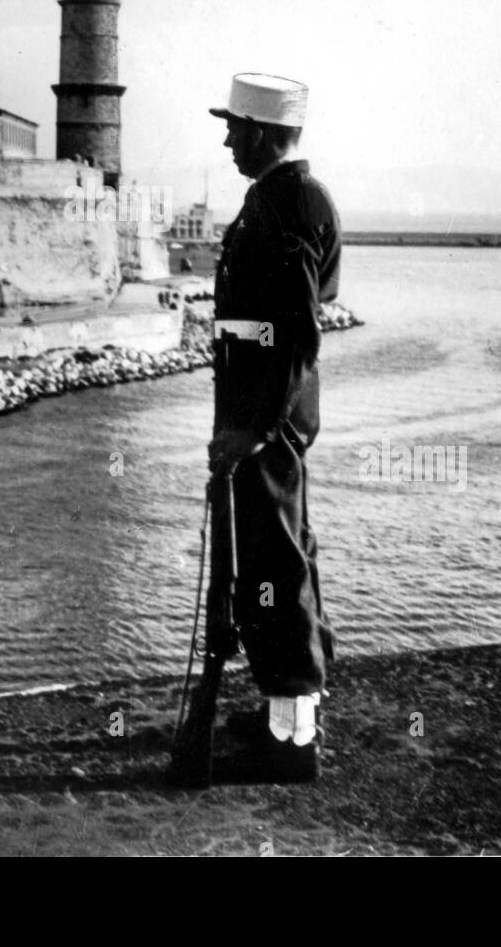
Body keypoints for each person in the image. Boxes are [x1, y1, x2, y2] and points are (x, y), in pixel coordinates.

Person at [206, 72, 340, 781]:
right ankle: (289, 714)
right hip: (264, 403)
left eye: (233, 127)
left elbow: (295, 332)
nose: (227, 138)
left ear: (260, 132)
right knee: (282, 549)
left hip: (266, 411)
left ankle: (290, 742)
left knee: (273, 561)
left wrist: (252, 429)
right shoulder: (281, 197)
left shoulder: (286, 204)